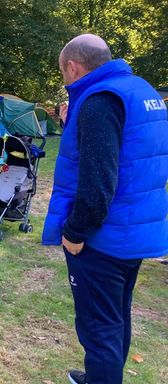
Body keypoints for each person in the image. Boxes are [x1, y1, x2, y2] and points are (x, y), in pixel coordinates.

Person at [42, 34, 168, 384]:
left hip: (105, 236)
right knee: (115, 317)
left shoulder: (100, 101)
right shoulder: (141, 91)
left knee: (99, 325)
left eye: (63, 73)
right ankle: (100, 376)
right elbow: (131, 155)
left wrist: (75, 232)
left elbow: (99, 181)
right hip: (136, 228)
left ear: (72, 66)